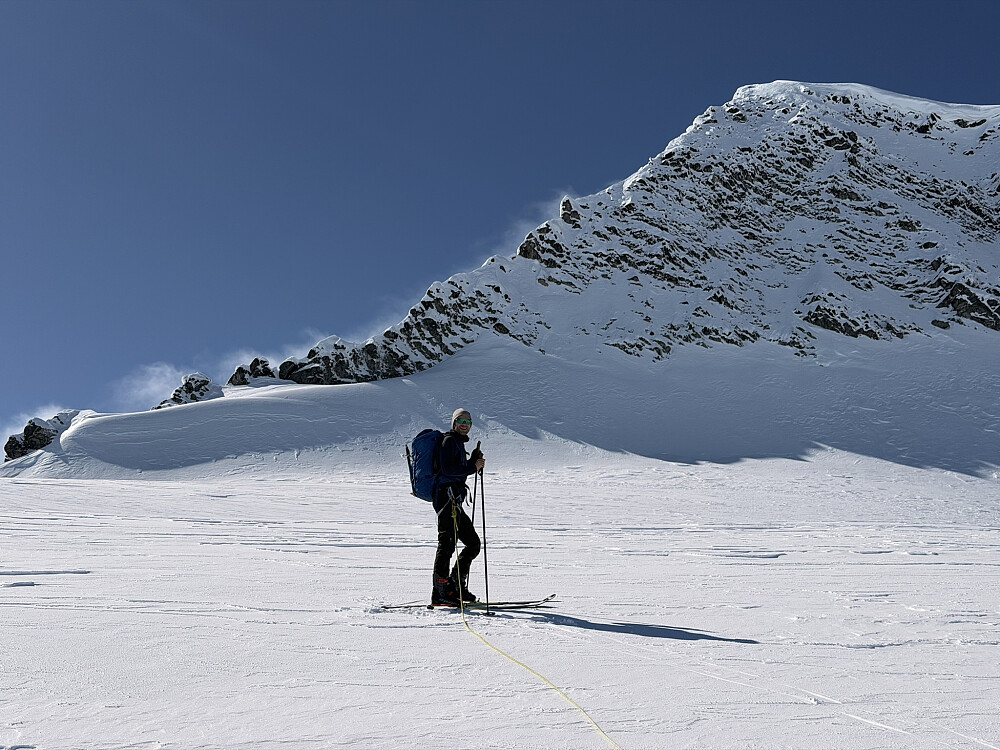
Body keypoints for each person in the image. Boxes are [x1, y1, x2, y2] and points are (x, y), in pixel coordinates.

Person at [431, 408, 486, 605]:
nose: (464, 424)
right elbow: (448, 469)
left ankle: (455, 585)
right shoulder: (448, 441)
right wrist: (473, 466)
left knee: (472, 543)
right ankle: (440, 592)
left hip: (454, 500)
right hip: (446, 499)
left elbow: (458, 470)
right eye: (461, 420)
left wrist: (473, 461)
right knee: (446, 545)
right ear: (454, 423)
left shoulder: (457, 444)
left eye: (468, 421)